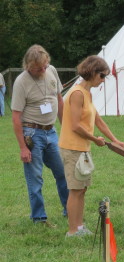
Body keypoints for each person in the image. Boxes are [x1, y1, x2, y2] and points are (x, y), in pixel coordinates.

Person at [59, 55, 124, 237]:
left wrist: (115, 139)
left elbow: (98, 120)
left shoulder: (87, 94)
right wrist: (95, 139)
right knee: (75, 190)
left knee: (82, 189)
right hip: (72, 148)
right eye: (102, 76)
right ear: (92, 73)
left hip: (83, 148)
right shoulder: (77, 93)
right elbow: (75, 125)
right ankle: (73, 231)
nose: (103, 80)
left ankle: (80, 227)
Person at [11, 44, 69, 227]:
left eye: (44, 66)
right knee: (35, 177)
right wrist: (22, 147)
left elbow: (59, 100)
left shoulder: (51, 70)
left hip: (51, 132)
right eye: (38, 68)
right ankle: (39, 217)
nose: (42, 70)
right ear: (28, 65)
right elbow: (15, 116)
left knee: (63, 173)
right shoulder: (21, 82)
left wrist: (66, 129)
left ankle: (70, 209)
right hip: (32, 134)